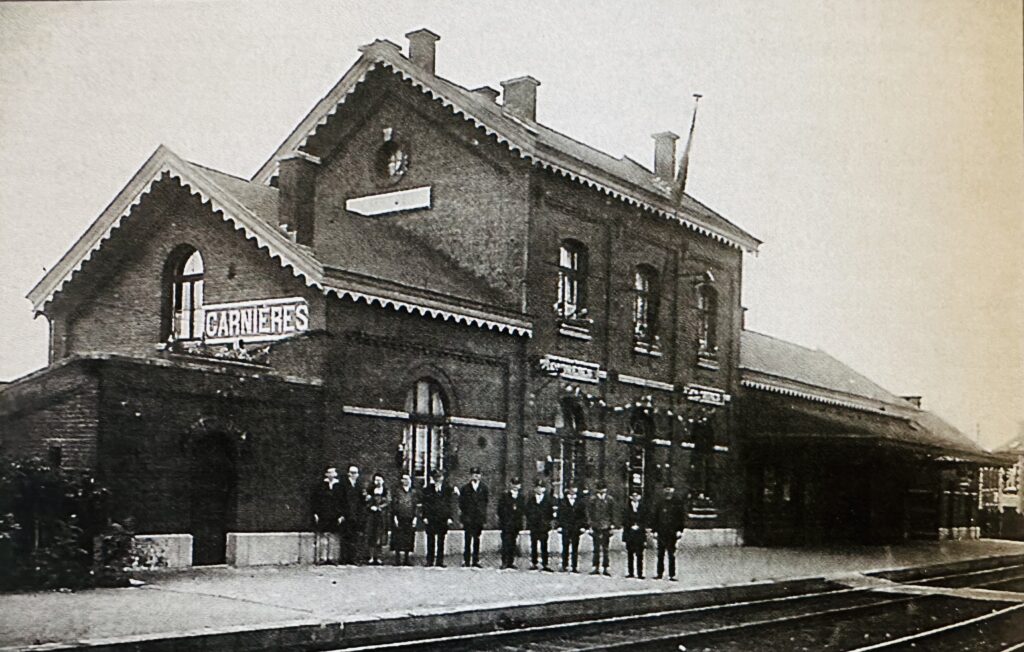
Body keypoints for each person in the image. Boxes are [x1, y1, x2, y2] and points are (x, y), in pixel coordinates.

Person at [651, 485, 687, 581]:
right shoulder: (660, 503)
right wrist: (654, 531)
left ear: (673, 490)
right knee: (660, 553)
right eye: (666, 489)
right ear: (664, 490)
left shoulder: (677, 503)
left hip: (672, 532)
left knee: (671, 553)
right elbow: (655, 517)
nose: (668, 491)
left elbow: (681, 518)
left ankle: (672, 574)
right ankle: (659, 573)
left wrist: (680, 530)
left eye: (670, 489)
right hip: (661, 532)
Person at [421, 469, 455, 566]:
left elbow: (450, 504)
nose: (438, 480)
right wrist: (425, 516)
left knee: (441, 540)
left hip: (442, 518)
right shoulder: (427, 490)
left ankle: (440, 561)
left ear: (442, 478)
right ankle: (429, 561)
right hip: (431, 518)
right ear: (433, 478)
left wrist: (449, 517)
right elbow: (425, 504)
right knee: (430, 540)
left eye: (439, 477)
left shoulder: (447, 490)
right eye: (436, 478)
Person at [311, 466, 343, 564]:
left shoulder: (339, 486)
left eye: (333, 472)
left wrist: (341, 515)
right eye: (329, 472)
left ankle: (332, 557)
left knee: (333, 536)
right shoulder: (320, 486)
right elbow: (315, 500)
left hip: (335, 514)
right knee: (323, 535)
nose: (331, 474)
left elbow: (343, 501)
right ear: (326, 474)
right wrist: (316, 513)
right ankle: (323, 557)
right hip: (323, 513)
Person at [459, 467, 489, 568]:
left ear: (480, 476)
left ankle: (476, 560)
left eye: (478, 474)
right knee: (467, 540)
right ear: (471, 475)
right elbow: (461, 503)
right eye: (474, 474)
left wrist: (483, 516)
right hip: (468, 517)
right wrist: (464, 516)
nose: (476, 476)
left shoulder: (484, 488)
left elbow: (485, 503)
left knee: (477, 539)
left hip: (478, 518)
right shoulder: (465, 488)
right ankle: (466, 560)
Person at [390, 472, 419, 566]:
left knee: (408, 537)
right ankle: (397, 559)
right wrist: (395, 517)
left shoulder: (413, 492)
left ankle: (407, 559)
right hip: (399, 517)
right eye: (403, 479)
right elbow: (394, 505)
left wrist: (415, 518)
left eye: (407, 479)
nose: (405, 481)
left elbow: (416, 506)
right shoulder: (397, 492)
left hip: (410, 517)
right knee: (398, 537)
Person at [525, 479, 555, 571]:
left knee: (544, 545)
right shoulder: (531, 500)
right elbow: (527, 512)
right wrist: (530, 521)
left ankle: (545, 564)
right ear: (534, 489)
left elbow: (550, 513)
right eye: (537, 487)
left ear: (544, 489)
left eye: (541, 487)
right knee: (533, 544)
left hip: (543, 526)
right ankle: (534, 563)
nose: (539, 489)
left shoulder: (548, 500)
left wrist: (548, 523)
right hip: (534, 525)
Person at [339, 465, 366, 565]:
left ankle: (354, 558)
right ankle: (344, 558)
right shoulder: (343, 485)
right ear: (348, 474)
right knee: (345, 537)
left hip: (356, 515)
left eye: (356, 473)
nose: (354, 475)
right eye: (352, 473)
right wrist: (341, 514)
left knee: (355, 537)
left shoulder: (359, 485)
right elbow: (341, 500)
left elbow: (362, 501)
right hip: (346, 515)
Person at [586, 482, 615, 576]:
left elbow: (613, 513)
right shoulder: (592, 500)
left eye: (604, 489)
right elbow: (589, 514)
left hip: (606, 526)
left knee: (606, 548)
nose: (602, 491)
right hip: (596, 526)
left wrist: (612, 525)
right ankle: (596, 567)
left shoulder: (610, 500)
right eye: (600, 489)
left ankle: (606, 567)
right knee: (596, 547)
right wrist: (590, 526)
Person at [497, 477, 525, 569]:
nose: (515, 486)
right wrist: (504, 520)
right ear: (510, 485)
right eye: (513, 484)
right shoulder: (505, 496)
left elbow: (522, 510)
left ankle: (511, 562)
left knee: (513, 543)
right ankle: (504, 561)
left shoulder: (521, 497)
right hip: (506, 524)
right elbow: (500, 510)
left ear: (520, 486)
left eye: (517, 484)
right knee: (506, 543)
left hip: (516, 524)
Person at [558, 485, 587, 572]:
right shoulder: (563, 501)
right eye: (571, 489)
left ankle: (574, 566)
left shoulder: (580, 502)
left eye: (574, 488)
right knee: (565, 546)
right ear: (568, 490)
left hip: (576, 527)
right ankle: (564, 565)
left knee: (575, 547)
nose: (572, 490)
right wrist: (559, 526)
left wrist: (583, 526)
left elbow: (583, 515)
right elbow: (560, 515)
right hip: (566, 527)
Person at [365, 472, 389, 565]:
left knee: (380, 535)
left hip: (382, 515)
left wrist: (379, 508)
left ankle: (378, 557)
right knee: (371, 535)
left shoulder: (386, 491)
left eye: (379, 480)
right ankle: (371, 557)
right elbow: (367, 501)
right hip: (372, 516)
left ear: (383, 481)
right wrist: (370, 506)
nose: (378, 482)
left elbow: (388, 501)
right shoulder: (370, 490)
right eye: (376, 480)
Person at [622, 487, 647, 578]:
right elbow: (624, 520)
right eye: (633, 496)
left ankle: (640, 573)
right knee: (630, 553)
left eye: (637, 495)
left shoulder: (643, 507)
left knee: (640, 554)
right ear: (630, 497)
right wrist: (631, 525)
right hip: (630, 532)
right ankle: (631, 572)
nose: (635, 497)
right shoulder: (626, 507)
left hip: (640, 533)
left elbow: (646, 519)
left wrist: (639, 526)